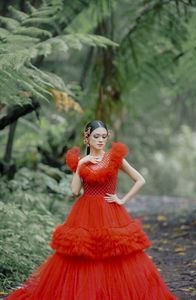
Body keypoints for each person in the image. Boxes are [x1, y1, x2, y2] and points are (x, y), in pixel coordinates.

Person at [6, 119, 178, 299]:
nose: (101, 140)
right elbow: (74, 191)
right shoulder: (81, 161)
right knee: (83, 255)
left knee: (114, 255)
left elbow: (140, 179)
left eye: (104, 136)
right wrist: (81, 164)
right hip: (85, 213)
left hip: (110, 212)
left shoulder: (114, 157)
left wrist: (122, 199)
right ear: (87, 138)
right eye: (96, 136)